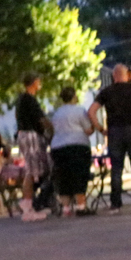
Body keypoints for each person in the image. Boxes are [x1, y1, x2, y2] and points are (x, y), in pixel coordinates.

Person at [89, 63, 131, 210]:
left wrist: (100, 128)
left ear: (114, 76)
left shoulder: (107, 92)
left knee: (116, 167)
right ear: (127, 75)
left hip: (114, 131)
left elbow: (92, 111)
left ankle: (116, 201)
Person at [49, 85, 95, 216]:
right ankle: (81, 206)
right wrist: (94, 126)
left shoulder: (56, 113)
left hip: (58, 147)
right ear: (74, 96)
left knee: (63, 176)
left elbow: (53, 130)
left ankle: (66, 208)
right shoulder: (80, 111)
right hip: (78, 145)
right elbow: (88, 130)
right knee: (79, 175)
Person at [14, 73, 53, 222]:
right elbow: (41, 119)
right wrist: (51, 130)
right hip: (30, 135)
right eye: (38, 81)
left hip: (24, 134)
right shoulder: (29, 99)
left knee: (35, 169)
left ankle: (31, 203)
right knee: (32, 170)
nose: (40, 84)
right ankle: (28, 205)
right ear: (34, 83)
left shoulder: (21, 100)